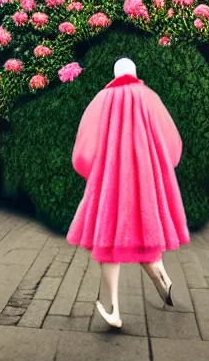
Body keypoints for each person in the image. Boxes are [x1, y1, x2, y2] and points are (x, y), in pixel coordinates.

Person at [67, 58, 190, 328]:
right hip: (146, 178)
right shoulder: (149, 97)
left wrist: (89, 168)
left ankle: (113, 309)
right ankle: (161, 276)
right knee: (143, 232)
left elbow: (85, 146)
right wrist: (162, 165)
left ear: (114, 74)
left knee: (109, 242)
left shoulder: (103, 98)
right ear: (135, 73)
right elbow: (171, 141)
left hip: (112, 178)